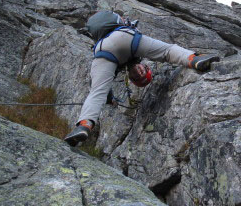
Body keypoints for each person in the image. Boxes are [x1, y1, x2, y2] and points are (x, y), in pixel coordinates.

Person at [64, 10, 220, 146]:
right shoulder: (133, 55)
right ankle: (193, 59)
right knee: (167, 51)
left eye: (137, 76)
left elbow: (98, 87)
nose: (138, 72)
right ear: (145, 67)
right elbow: (166, 52)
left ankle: (84, 125)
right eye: (141, 74)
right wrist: (108, 97)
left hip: (104, 46)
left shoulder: (119, 60)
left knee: (97, 92)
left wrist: (108, 97)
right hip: (123, 37)